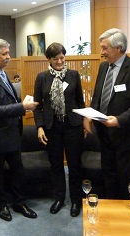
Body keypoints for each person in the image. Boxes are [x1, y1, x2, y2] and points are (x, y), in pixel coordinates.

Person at [0, 38, 38, 222]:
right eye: (4, 54)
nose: (9, 57)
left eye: (8, 53)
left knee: (17, 170)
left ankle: (20, 202)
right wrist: (22, 107)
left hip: (11, 133)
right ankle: (1, 205)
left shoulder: (1, 73)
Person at [84, 28, 130, 199]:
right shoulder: (104, 67)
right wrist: (90, 115)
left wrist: (119, 120)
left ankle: (125, 215)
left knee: (125, 178)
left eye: (105, 48)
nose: (102, 52)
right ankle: (110, 208)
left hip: (126, 135)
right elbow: (98, 95)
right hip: (104, 133)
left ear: (118, 48)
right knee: (108, 174)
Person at [33, 42, 86, 216]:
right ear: (49, 59)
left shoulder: (73, 75)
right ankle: (59, 198)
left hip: (73, 126)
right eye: (55, 58)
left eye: (62, 57)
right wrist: (40, 127)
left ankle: (76, 201)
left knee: (74, 164)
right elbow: (38, 106)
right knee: (56, 164)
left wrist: (84, 120)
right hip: (51, 127)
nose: (60, 61)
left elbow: (80, 101)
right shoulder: (42, 77)